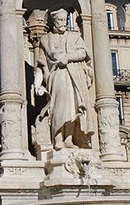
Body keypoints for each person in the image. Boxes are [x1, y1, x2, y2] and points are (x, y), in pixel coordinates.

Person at [34, 8, 94, 150]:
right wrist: (37, 84)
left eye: (65, 20)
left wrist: (67, 57)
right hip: (57, 76)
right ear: (53, 22)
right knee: (59, 108)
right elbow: (40, 64)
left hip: (74, 76)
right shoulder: (45, 39)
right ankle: (57, 137)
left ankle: (68, 139)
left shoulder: (75, 37)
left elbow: (83, 52)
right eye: (60, 20)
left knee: (74, 108)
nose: (63, 23)